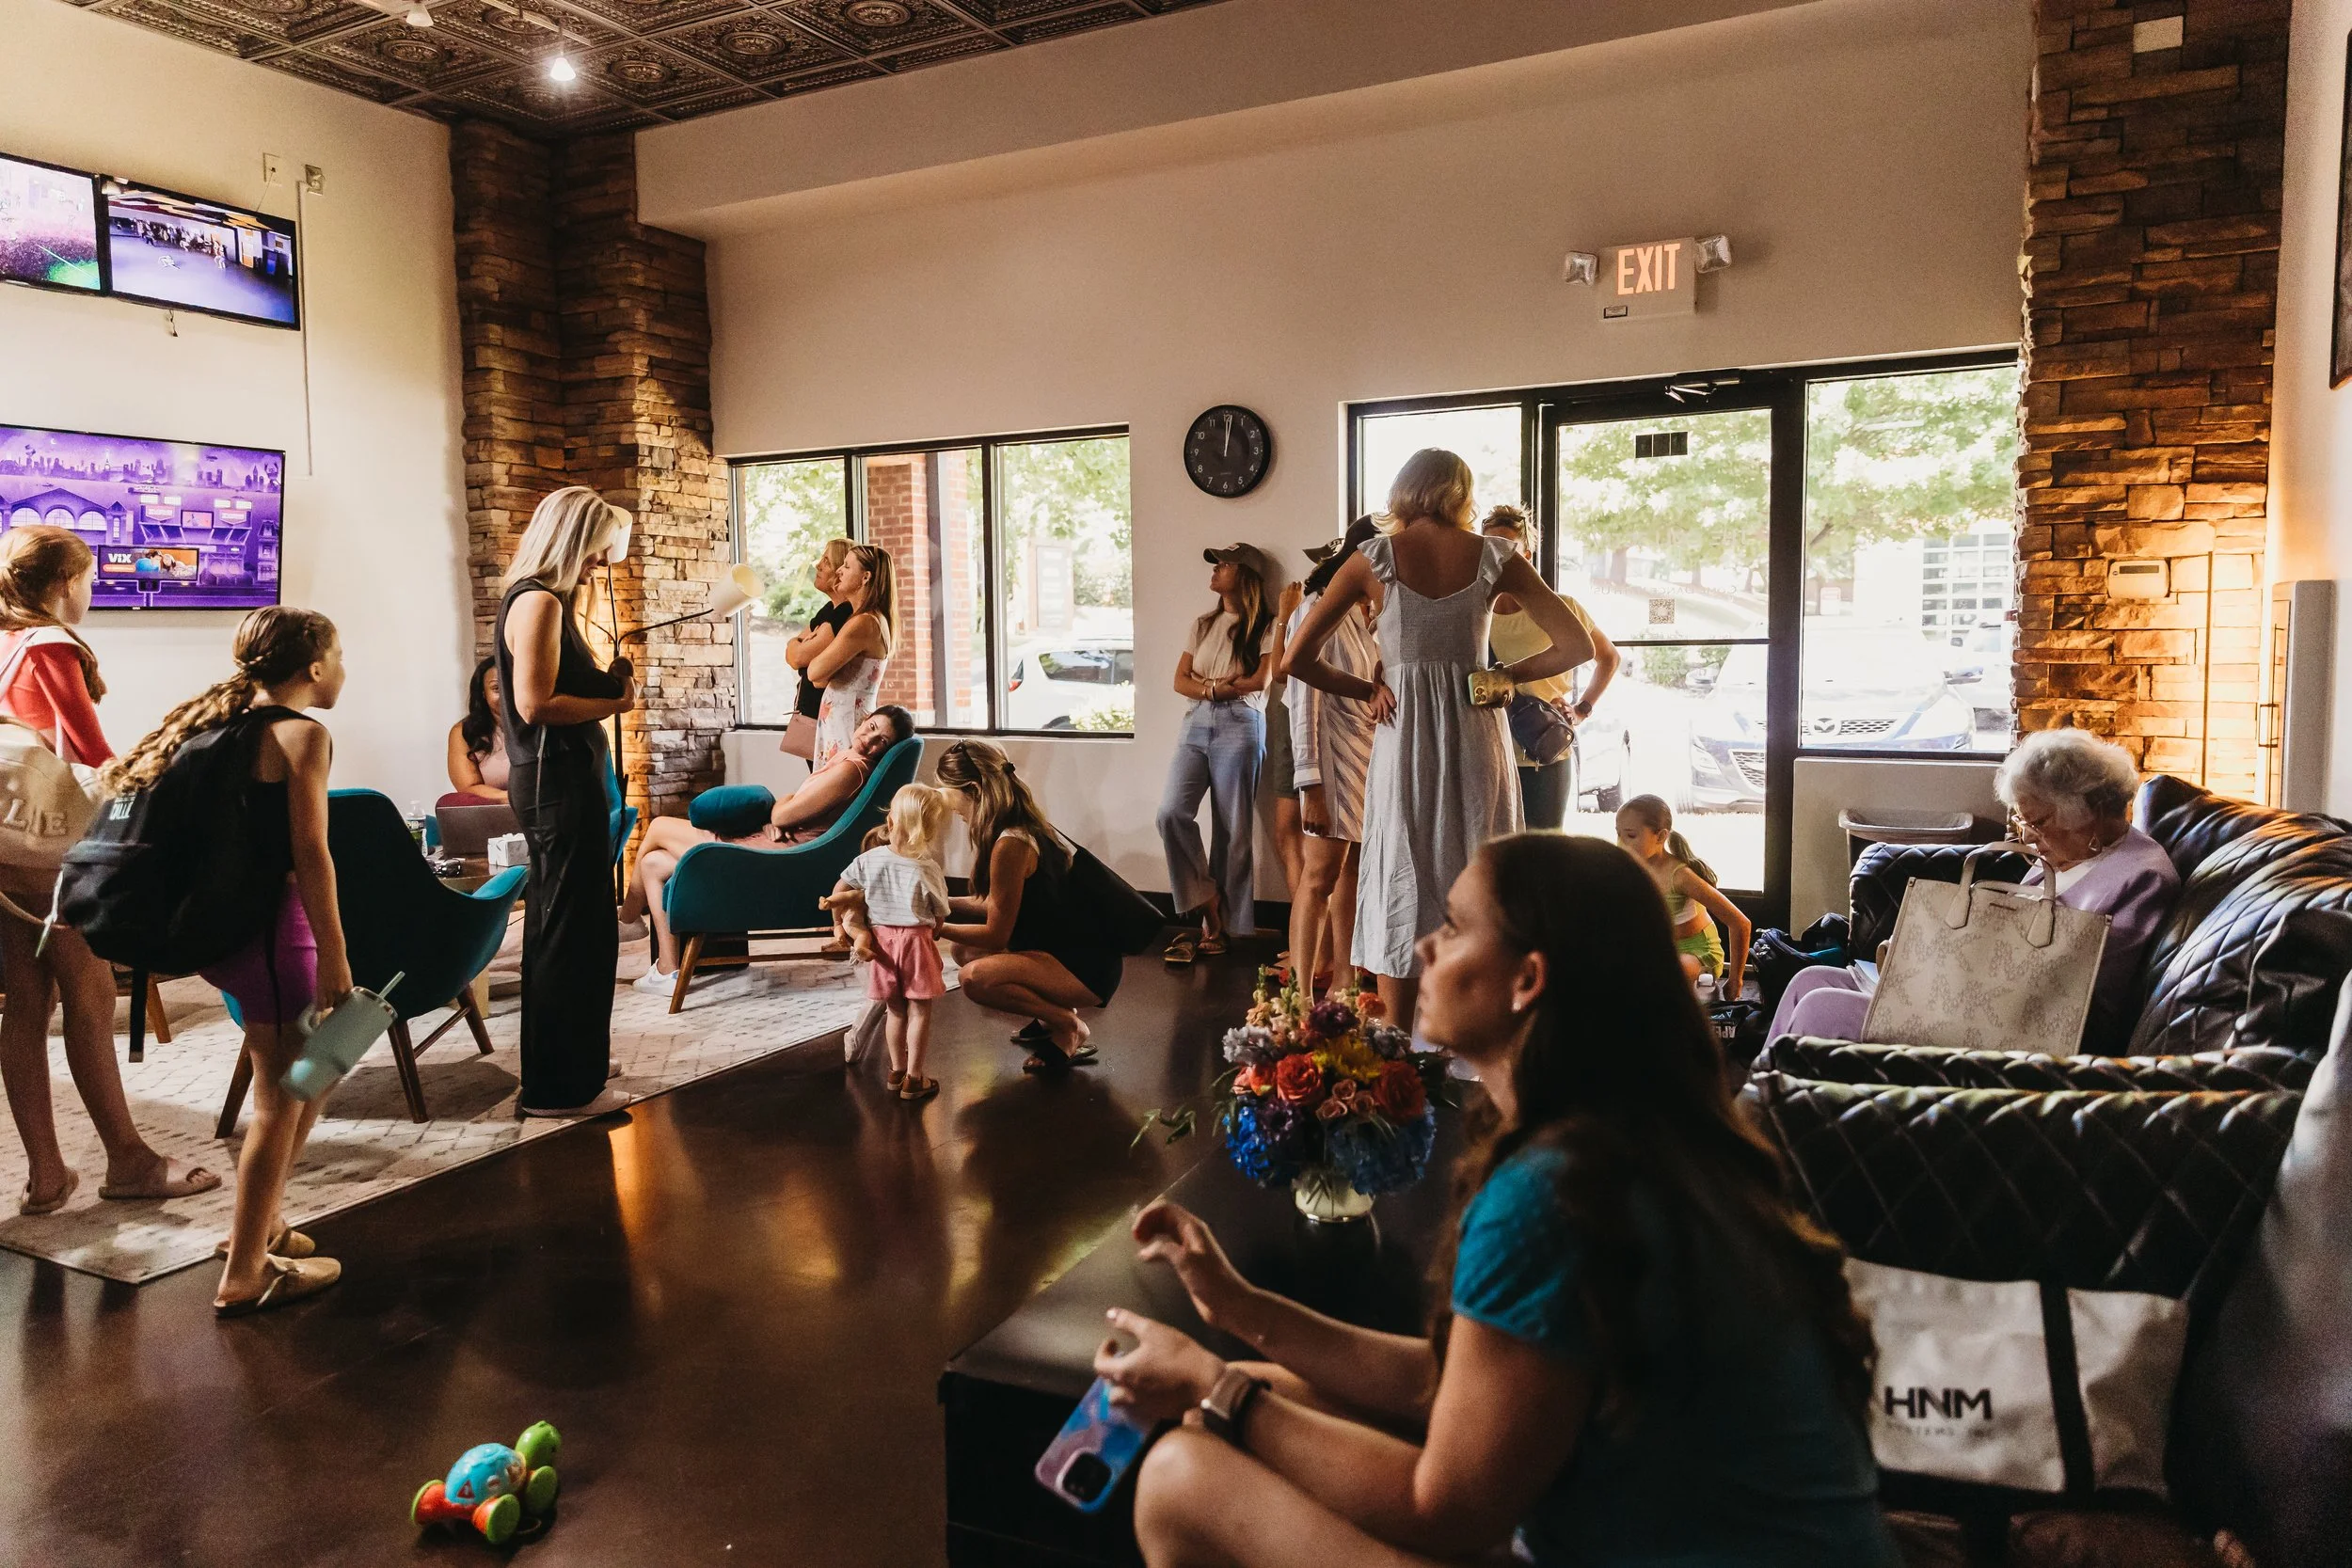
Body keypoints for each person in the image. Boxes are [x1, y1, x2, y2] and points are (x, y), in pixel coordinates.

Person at [1092, 833, 1898, 1568]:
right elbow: (1451, 1381)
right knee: (1242, 1387)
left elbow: (1445, 1509)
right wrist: (1235, 1309)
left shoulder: (1556, 1191)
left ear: (1528, 978)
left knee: (1180, 1472)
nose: (1424, 946)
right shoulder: (1641, 1139)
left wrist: (1211, 1381)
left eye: (1453, 924)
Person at [101, 610, 350, 1315]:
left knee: (324, 1064)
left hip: (231, 940)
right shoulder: (303, 734)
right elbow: (311, 854)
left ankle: (263, 1215)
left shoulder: (213, 730)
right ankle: (244, 1268)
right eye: (338, 655)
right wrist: (335, 954)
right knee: (281, 1097)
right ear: (312, 668)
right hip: (275, 937)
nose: (341, 668)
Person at [1288, 450, 1591, 1028]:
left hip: (1403, 740)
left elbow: (1297, 658)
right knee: (1479, 867)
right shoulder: (1495, 557)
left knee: (1402, 873)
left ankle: (1401, 1045)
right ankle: (1482, 1035)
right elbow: (1575, 644)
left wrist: (1366, 687)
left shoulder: (1369, 559)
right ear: (1461, 495)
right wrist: (1506, 675)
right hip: (1476, 734)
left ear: (1404, 491)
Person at [0, 526, 218, 1218]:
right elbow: (95, 755)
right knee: (90, 990)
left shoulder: (3, 642)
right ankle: (129, 1159)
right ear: (65, 582)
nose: (92, 591)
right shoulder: (52, 645)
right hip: (52, 852)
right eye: (89, 577)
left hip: (7, 845)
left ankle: (45, 1173)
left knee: (25, 1001)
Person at [1771, 727, 2180, 1053]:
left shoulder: (2142, 877)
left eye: (2038, 822)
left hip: (2021, 1024)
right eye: (2024, 821)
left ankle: (1781, 1128)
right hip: (1981, 994)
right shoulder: (2063, 857)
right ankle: (1754, 1115)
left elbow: (2081, 986)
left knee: (1822, 1007)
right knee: (1809, 979)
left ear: (2087, 812)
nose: (2030, 838)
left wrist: (1950, 969)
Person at [497, 485, 639, 1118]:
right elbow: (535, 704)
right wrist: (615, 703)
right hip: (554, 783)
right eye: (594, 553)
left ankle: (575, 1056)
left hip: (564, 778)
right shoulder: (540, 602)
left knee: (580, 927)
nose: (598, 566)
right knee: (563, 930)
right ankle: (557, 1085)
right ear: (572, 541)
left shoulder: (548, 601)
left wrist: (610, 682)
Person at [622, 705, 914, 990]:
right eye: (872, 728)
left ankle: (627, 920)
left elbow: (782, 814)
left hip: (782, 856)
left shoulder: (852, 770)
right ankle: (667, 969)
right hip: (787, 846)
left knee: (659, 825)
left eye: (882, 742)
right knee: (652, 864)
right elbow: (792, 804)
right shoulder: (849, 758)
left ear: (887, 751)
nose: (870, 740)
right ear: (864, 720)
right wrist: (782, 813)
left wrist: (779, 815)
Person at [936, 738, 1121, 1071]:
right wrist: (938, 902)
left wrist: (933, 927)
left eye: (949, 793)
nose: (950, 806)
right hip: (1066, 951)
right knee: (964, 951)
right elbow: (997, 904)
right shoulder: (1018, 825)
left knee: (973, 977)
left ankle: (1067, 1025)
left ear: (974, 790)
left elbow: (995, 934)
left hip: (1086, 967)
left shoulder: (1011, 843)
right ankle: (1049, 1017)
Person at [1159, 545, 1279, 966]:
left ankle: (1221, 927)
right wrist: (1214, 687)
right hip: (1197, 720)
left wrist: (1215, 683)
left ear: (1246, 576)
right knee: (1171, 813)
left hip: (1242, 723)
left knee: (1233, 829)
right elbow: (1179, 681)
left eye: (1225, 564)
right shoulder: (1202, 623)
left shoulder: (1266, 624)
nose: (1216, 570)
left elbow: (1261, 679)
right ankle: (1206, 899)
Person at [1283, 519, 1380, 998]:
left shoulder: (1362, 616)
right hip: (1329, 762)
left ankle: (1344, 982)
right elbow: (1303, 706)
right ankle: (1298, 997)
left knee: (1352, 876)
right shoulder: (1313, 612)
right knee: (1319, 876)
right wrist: (1310, 786)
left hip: (1362, 760)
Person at [1481, 507, 1618, 830]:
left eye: (1507, 548)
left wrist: (1582, 709)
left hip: (1543, 753)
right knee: (1493, 856)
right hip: (1487, 753)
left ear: (1526, 555)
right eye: (1488, 547)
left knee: (1545, 852)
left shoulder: (1563, 609)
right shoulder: (1473, 614)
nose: (1496, 556)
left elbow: (1608, 658)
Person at [826, 784, 953, 1103]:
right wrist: (936, 928)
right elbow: (939, 914)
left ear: (891, 820)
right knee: (920, 1012)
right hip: (915, 943)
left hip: (882, 941)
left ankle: (895, 1072)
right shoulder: (927, 866)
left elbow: (841, 886)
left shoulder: (870, 859)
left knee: (894, 1011)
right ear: (929, 828)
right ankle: (915, 1077)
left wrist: (840, 922)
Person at [1615, 795, 1749, 998]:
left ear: (1660, 837)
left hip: (1697, 954)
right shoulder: (1629, 868)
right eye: (1618, 834)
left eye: (1631, 836)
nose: (1621, 843)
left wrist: (1735, 980)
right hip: (1657, 952)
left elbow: (1740, 923)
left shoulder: (1680, 876)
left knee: (1662, 975)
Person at [809, 543, 897, 768]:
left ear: (865, 577)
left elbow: (814, 671)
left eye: (847, 566)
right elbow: (819, 680)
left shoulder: (864, 623)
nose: (839, 571)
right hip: (844, 719)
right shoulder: (870, 619)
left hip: (847, 725)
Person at [1261, 578, 1306, 961]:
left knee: (1299, 839)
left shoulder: (1324, 609)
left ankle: (1313, 951)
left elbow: (1280, 671)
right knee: (1292, 836)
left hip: (1307, 723)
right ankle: (1313, 947)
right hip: (1296, 721)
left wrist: (1285, 616)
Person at [781, 538, 854, 761]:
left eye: (826, 562)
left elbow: (800, 655)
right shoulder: (827, 610)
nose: (817, 566)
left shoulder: (844, 613)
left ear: (841, 572)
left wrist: (801, 643)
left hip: (830, 720)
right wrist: (798, 643)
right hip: (813, 717)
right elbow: (792, 653)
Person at [442, 656, 510, 805]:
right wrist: (515, 800)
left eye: (513, 686)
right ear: (483, 693)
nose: (507, 694)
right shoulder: (463, 732)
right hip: (491, 817)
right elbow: (468, 788)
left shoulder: (544, 726)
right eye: (496, 688)